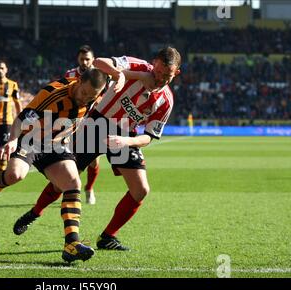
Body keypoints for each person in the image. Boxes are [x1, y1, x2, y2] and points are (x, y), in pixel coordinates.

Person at [13, 47, 182, 251]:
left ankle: (108, 237)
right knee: (64, 181)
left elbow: (149, 136)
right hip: (96, 124)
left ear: (176, 73)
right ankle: (35, 212)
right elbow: (99, 63)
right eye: (159, 72)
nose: (161, 78)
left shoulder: (166, 101)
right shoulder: (138, 66)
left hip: (124, 137)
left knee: (141, 190)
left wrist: (126, 141)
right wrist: (127, 74)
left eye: (168, 76)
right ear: (154, 63)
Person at [0, 68, 108, 263]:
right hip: (31, 141)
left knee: (73, 182)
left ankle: (72, 244)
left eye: (91, 96)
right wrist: (12, 140)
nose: (85, 99)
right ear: (78, 82)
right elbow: (22, 118)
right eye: (83, 93)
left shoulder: (97, 93)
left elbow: (119, 72)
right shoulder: (52, 94)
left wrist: (120, 77)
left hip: (56, 145)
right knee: (14, 175)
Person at [62, 45, 100, 204]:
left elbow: (104, 97)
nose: (84, 62)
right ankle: (69, 188)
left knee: (94, 160)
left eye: (88, 59)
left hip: (91, 123)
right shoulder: (70, 74)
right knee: (68, 157)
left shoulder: (100, 76)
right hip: (71, 121)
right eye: (82, 59)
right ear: (78, 59)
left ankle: (89, 188)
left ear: (93, 60)